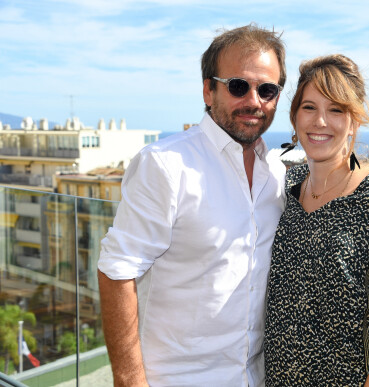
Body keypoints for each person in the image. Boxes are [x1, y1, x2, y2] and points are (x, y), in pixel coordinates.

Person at [98, 24, 287, 387]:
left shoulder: (276, 173)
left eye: (267, 90)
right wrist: (129, 380)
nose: (254, 101)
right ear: (208, 89)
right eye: (237, 86)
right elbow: (116, 270)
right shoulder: (166, 164)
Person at [264, 54, 369, 386]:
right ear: (294, 118)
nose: (320, 121)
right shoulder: (288, 187)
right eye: (309, 107)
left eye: (336, 110)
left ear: (354, 121)